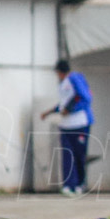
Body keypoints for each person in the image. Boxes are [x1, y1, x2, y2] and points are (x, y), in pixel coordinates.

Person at [40, 59, 93, 195]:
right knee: (67, 154)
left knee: (79, 155)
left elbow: (85, 98)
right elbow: (63, 104)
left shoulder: (75, 78)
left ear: (60, 71)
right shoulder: (62, 84)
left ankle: (80, 184)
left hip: (80, 123)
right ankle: (69, 184)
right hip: (66, 125)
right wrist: (49, 112)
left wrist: (70, 109)